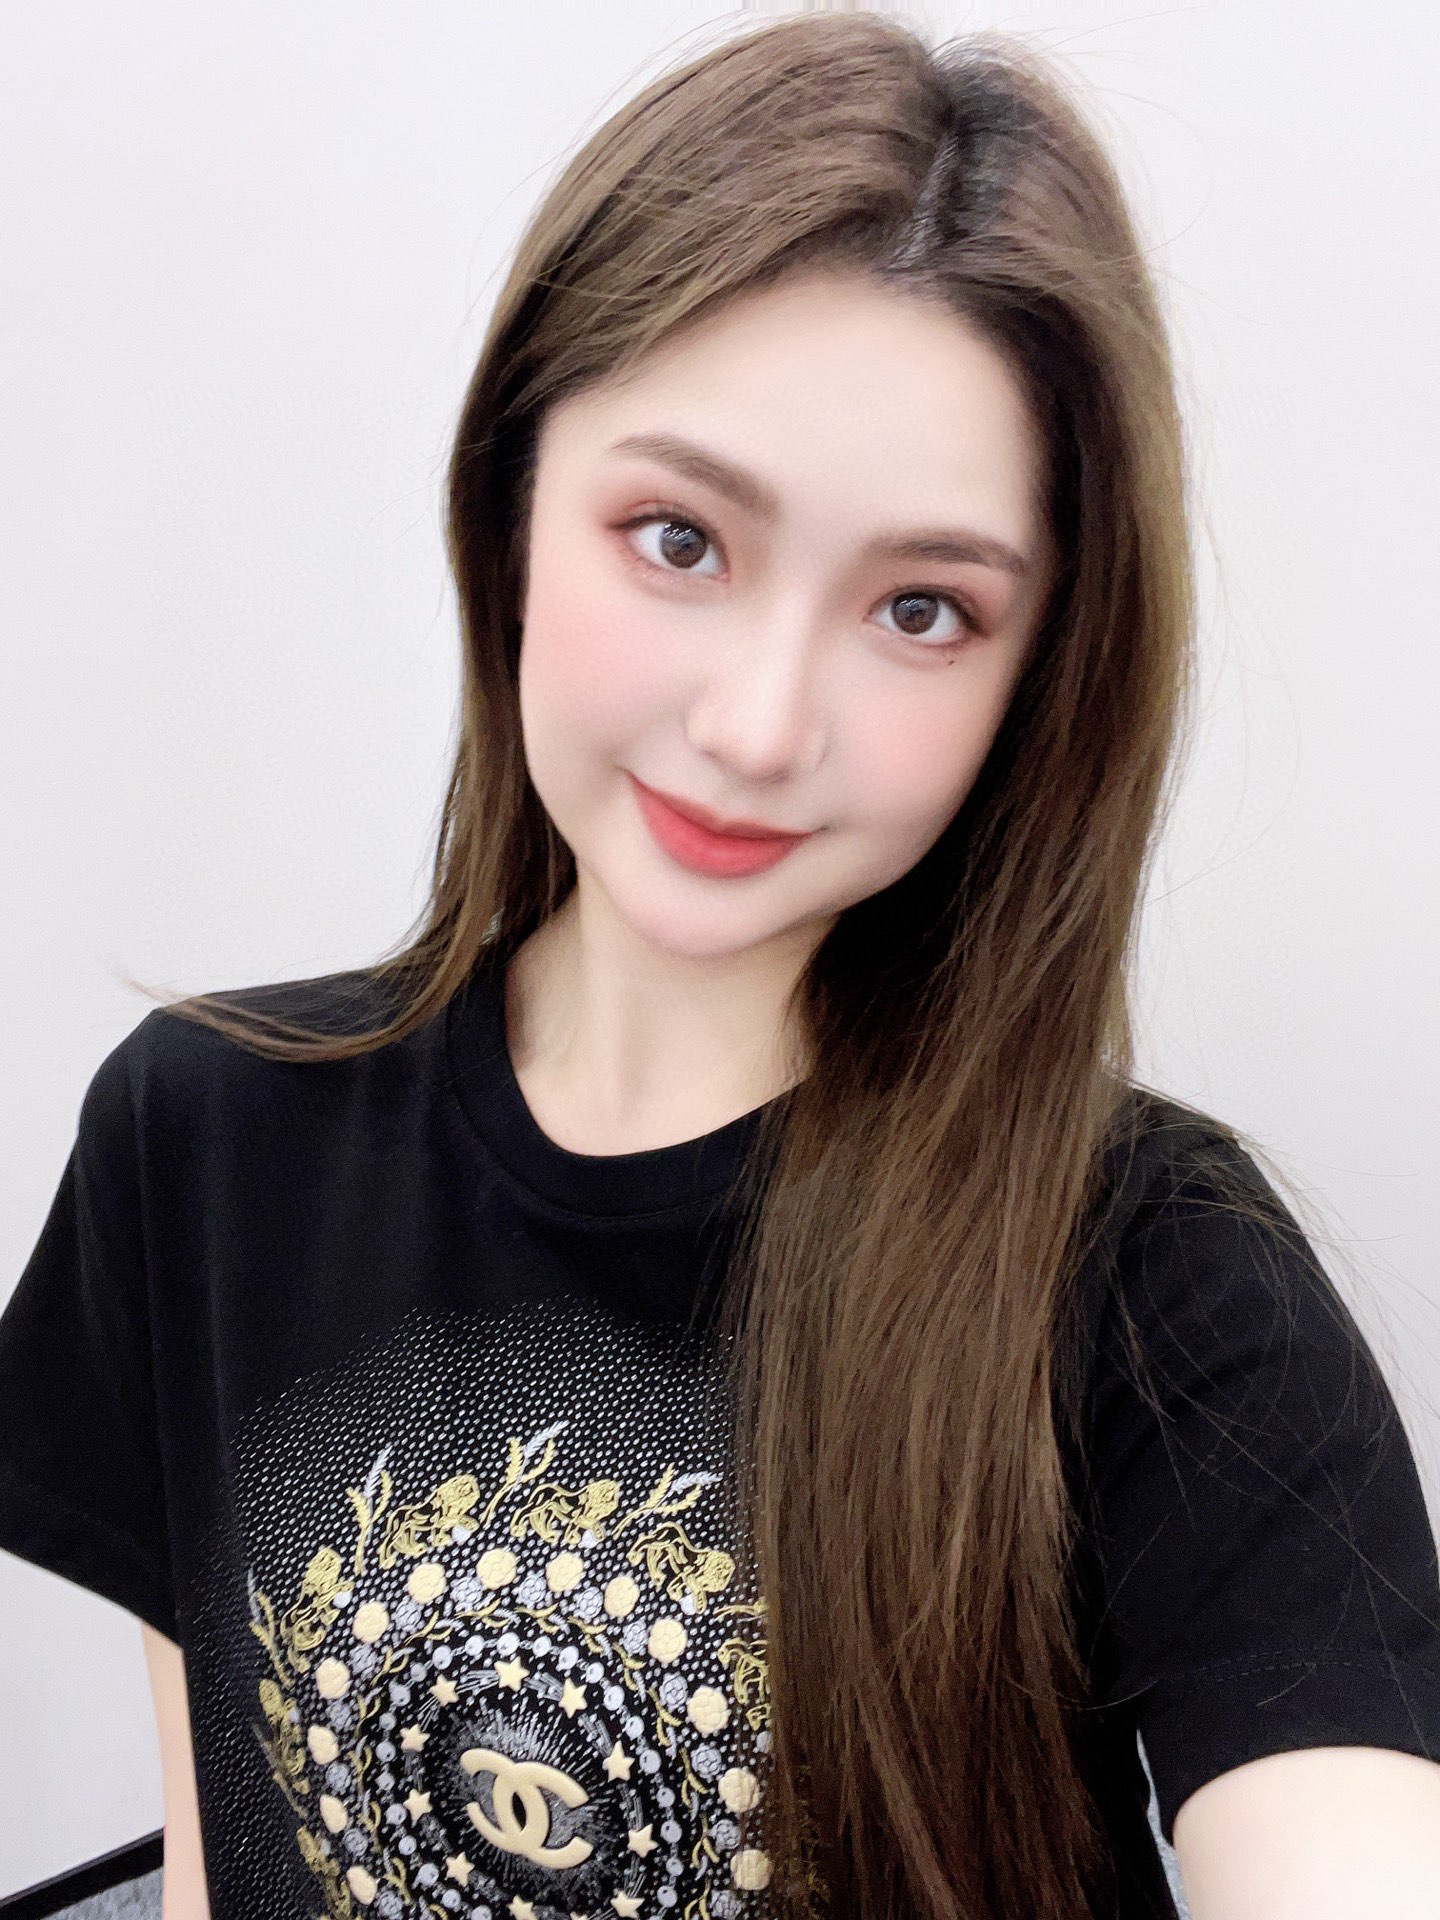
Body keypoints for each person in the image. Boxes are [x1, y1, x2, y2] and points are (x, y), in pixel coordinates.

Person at [1, 13, 1438, 1920]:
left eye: (920, 608)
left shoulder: (1157, 1279)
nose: (761, 726)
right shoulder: (205, 1141)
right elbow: (226, 1859)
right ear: (511, 504)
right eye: (678, 538)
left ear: (1037, 677)